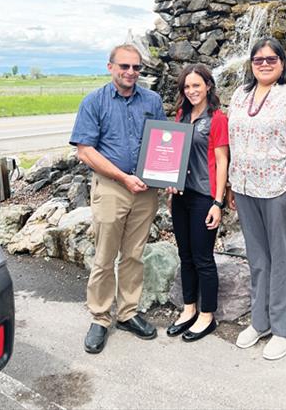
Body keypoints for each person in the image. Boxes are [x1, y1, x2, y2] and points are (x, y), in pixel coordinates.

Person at [227, 37, 286, 360]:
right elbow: (233, 141)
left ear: (282, 62)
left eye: (271, 58)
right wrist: (230, 184)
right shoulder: (240, 96)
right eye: (258, 59)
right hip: (245, 188)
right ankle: (260, 321)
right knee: (257, 258)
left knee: (281, 258)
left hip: (282, 188)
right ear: (251, 64)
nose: (264, 63)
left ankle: (284, 330)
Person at [70, 43, 166, 353]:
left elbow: (165, 140)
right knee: (104, 256)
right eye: (124, 66)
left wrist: (167, 176)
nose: (131, 72)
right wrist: (124, 177)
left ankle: (127, 313)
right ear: (110, 67)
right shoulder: (94, 102)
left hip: (146, 190)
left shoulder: (151, 100)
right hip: (112, 188)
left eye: (136, 67)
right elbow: (85, 150)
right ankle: (100, 317)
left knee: (134, 255)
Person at [166, 63, 229, 342]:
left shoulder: (217, 119)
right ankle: (189, 307)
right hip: (181, 196)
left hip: (205, 196)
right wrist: (168, 183)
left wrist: (219, 202)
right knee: (185, 255)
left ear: (208, 86)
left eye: (196, 85)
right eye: (187, 86)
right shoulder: (182, 115)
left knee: (203, 258)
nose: (191, 91)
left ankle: (207, 315)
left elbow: (222, 161)